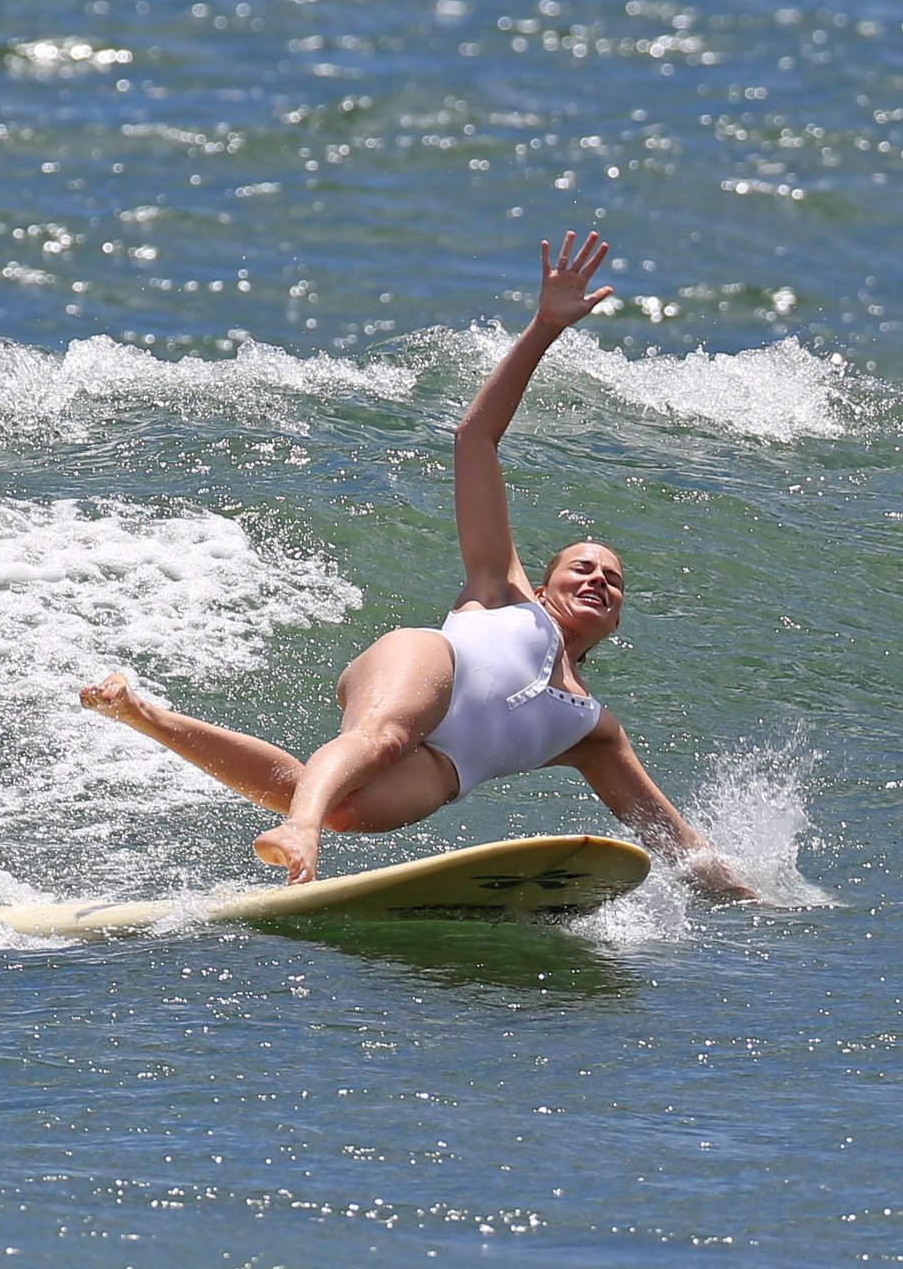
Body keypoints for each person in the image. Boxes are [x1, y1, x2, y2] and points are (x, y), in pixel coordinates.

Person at [82, 231, 756, 901]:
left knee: (341, 802)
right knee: (381, 739)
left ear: (616, 621)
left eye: (612, 580)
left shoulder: (592, 731)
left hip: (445, 764)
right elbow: (475, 438)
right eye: (581, 567)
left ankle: (146, 717)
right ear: (544, 586)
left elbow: (675, 840)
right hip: (428, 665)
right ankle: (300, 830)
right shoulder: (504, 592)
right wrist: (545, 328)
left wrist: (757, 904)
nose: (598, 579)